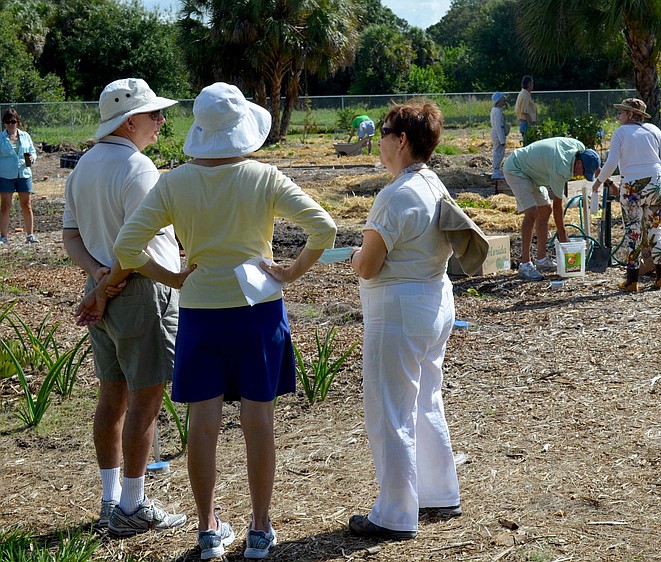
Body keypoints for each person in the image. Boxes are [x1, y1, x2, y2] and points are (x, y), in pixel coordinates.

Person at [78, 82, 337, 560]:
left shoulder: (174, 181)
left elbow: (127, 249)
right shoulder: (264, 177)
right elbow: (324, 228)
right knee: (259, 419)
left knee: (203, 423)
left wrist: (175, 278)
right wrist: (290, 271)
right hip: (259, 311)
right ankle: (260, 529)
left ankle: (208, 529)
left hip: (200, 311)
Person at [62, 78, 187, 536]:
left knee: (111, 394)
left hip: (105, 295)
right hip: (139, 292)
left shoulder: (82, 167)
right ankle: (133, 508)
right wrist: (105, 285)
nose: (161, 122)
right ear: (131, 121)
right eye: (155, 115)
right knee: (146, 398)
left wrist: (96, 280)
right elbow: (134, 250)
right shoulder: (138, 168)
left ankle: (110, 499)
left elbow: (71, 238)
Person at [348, 99, 462, 541]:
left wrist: (356, 255)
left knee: (390, 410)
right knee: (425, 398)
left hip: (398, 309)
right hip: (435, 301)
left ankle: (395, 513)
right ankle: (438, 491)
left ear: (401, 141)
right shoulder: (435, 185)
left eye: (383, 134)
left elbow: (369, 265)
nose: (378, 142)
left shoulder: (395, 195)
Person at [591, 98, 661, 292]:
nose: (618, 115)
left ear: (629, 114)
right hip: (655, 183)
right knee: (655, 229)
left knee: (634, 231)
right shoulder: (654, 131)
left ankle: (632, 280)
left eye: (621, 112)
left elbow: (611, 163)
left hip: (632, 187)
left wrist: (598, 183)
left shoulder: (621, 133)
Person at [502, 137, 601, 281]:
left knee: (545, 210)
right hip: (517, 169)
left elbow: (595, 166)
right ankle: (525, 265)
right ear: (579, 163)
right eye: (583, 171)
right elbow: (558, 205)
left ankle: (541, 260)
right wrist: (563, 237)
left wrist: (610, 183)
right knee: (532, 213)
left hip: (534, 173)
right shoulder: (561, 167)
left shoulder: (580, 148)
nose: (580, 175)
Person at [1, 108, 38, 244]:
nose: (10, 124)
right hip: (6, 174)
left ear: (18, 122)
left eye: (13, 121)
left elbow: (33, 151)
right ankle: (3, 236)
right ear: (4, 123)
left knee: (26, 204)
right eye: (7, 122)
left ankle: (30, 235)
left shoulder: (25, 136)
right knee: (5, 205)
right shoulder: (1, 138)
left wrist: (32, 158)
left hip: (24, 173)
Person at [490, 92, 509, 179]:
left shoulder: (495, 110)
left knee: (498, 151)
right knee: (499, 152)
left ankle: (497, 169)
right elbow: (498, 126)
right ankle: (496, 171)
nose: (503, 101)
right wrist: (502, 140)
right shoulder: (497, 111)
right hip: (498, 133)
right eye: (502, 100)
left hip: (496, 132)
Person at [514, 75, 537, 145]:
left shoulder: (525, 94)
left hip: (526, 123)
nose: (533, 84)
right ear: (529, 84)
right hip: (526, 123)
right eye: (532, 83)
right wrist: (532, 125)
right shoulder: (525, 95)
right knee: (528, 145)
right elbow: (525, 112)